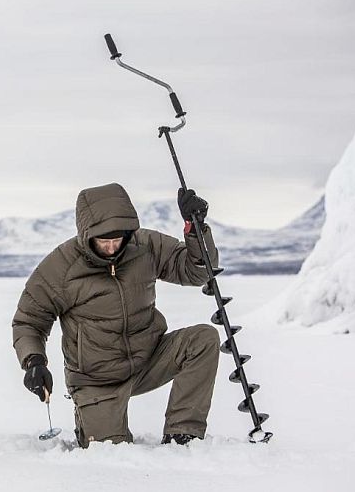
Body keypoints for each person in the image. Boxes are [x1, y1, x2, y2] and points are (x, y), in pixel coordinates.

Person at [12, 182, 221, 447]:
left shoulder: (145, 245)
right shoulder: (61, 267)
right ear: (86, 234)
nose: (111, 247)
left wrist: (196, 230)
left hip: (149, 358)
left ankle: (183, 433)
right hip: (96, 379)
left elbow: (198, 271)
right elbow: (29, 320)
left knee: (203, 339)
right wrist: (34, 361)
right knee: (110, 451)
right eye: (103, 241)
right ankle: (91, 418)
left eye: (117, 240)